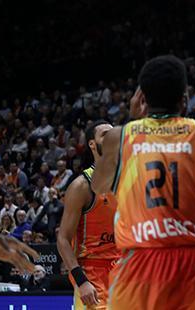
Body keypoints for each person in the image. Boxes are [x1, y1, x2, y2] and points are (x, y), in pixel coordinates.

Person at [91, 56, 195, 309]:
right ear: (184, 99)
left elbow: (98, 187)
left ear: (142, 98)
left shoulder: (119, 137)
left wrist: (133, 124)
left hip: (141, 259)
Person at [57, 120, 119, 310]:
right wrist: (81, 281)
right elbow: (63, 239)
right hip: (92, 271)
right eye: (105, 135)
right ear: (92, 144)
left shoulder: (127, 180)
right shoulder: (81, 186)